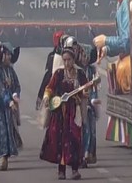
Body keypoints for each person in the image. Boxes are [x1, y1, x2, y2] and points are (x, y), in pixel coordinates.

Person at [40, 47, 88, 180]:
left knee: (75, 139)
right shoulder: (59, 74)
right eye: (65, 60)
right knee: (60, 140)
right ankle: (61, 170)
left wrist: (84, 93)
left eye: (69, 60)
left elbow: (85, 89)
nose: (67, 63)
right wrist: (46, 97)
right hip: (60, 113)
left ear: (73, 60)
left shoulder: (80, 74)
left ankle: (75, 169)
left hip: (74, 112)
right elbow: (49, 87)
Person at [93, 0, 131, 94]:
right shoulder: (122, 1)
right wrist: (107, 49)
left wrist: (106, 40)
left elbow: (126, 41)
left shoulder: (126, 2)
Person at [0, 42, 21, 171]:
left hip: (10, 108)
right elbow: (1, 90)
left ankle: (6, 155)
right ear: (2, 55)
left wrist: (15, 94)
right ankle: (1, 157)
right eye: (7, 54)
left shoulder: (11, 70)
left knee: (9, 131)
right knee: (1, 132)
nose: (9, 57)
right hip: (0, 107)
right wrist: (9, 101)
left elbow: (17, 85)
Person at [36, 31, 65, 110]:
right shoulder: (53, 56)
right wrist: (41, 95)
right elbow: (48, 76)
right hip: (55, 91)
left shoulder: (73, 54)